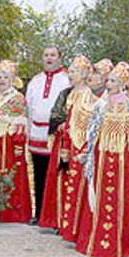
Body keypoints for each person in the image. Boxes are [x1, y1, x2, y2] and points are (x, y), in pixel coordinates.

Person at [76, 62, 129, 257]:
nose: (108, 83)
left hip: (126, 165)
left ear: (122, 84)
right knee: (100, 201)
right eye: (109, 80)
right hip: (103, 162)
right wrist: (85, 152)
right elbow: (92, 132)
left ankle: (123, 248)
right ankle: (98, 246)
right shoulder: (101, 106)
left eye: (113, 80)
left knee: (123, 201)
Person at [38, 54, 92, 230]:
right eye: (70, 71)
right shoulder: (65, 93)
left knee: (74, 180)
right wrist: (60, 123)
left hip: (78, 143)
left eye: (74, 71)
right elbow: (54, 113)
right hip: (61, 142)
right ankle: (57, 220)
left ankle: (71, 223)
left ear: (84, 74)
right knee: (58, 178)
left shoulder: (90, 96)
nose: (70, 74)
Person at [0, 60, 32, 223]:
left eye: (5, 77)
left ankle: (12, 213)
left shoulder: (17, 98)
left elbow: (21, 122)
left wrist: (18, 144)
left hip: (8, 143)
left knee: (10, 175)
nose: (2, 80)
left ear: (12, 80)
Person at [25, 46, 70, 223]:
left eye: (53, 55)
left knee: (57, 176)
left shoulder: (67, 80)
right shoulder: (35, 81)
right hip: (36, 134)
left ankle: (57, 217)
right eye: (46, 55)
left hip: (56, 137)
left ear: (60, 58)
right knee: (39, 173)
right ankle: (40, 213)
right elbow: (28, 107)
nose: (49, 58)